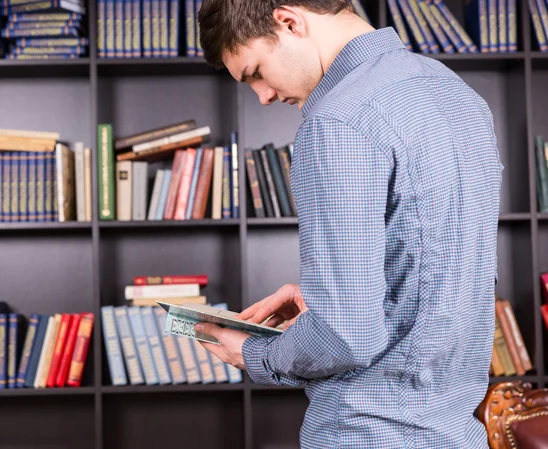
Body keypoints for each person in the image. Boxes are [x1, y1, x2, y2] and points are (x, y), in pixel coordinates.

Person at [193, 0, 504, 448]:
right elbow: (444, 282)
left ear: (289, 21)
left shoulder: (335, 121)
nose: (262, 95)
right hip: (456, 431)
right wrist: (333, 299)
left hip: (367, 432)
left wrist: (255, 353)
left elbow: (345, 336)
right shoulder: (458, 95)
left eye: (255, 72)